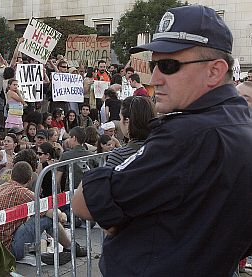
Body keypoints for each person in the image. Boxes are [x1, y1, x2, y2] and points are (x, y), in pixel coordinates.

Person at [72, 5, 252, 276]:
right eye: (155, 64)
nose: (155, 78)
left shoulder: (185, 136)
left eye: (169, 66)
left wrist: (125, 216)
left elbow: (83, 203)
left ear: (215, 71)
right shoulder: (242, 124)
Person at [0, 162, 86, 262]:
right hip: (10, 250)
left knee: (38, 219)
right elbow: (53, 214)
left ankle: (41, 249)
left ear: (12, 174)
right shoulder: (23, 193)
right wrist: (63, 215)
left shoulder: (0, 188)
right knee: (47, 219)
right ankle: (71, 248)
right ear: (30, 179)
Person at [106, 96, 156, 167]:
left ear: (127, 121)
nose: (120, 122)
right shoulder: (163, 149)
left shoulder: (119, 156)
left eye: (120, 118)